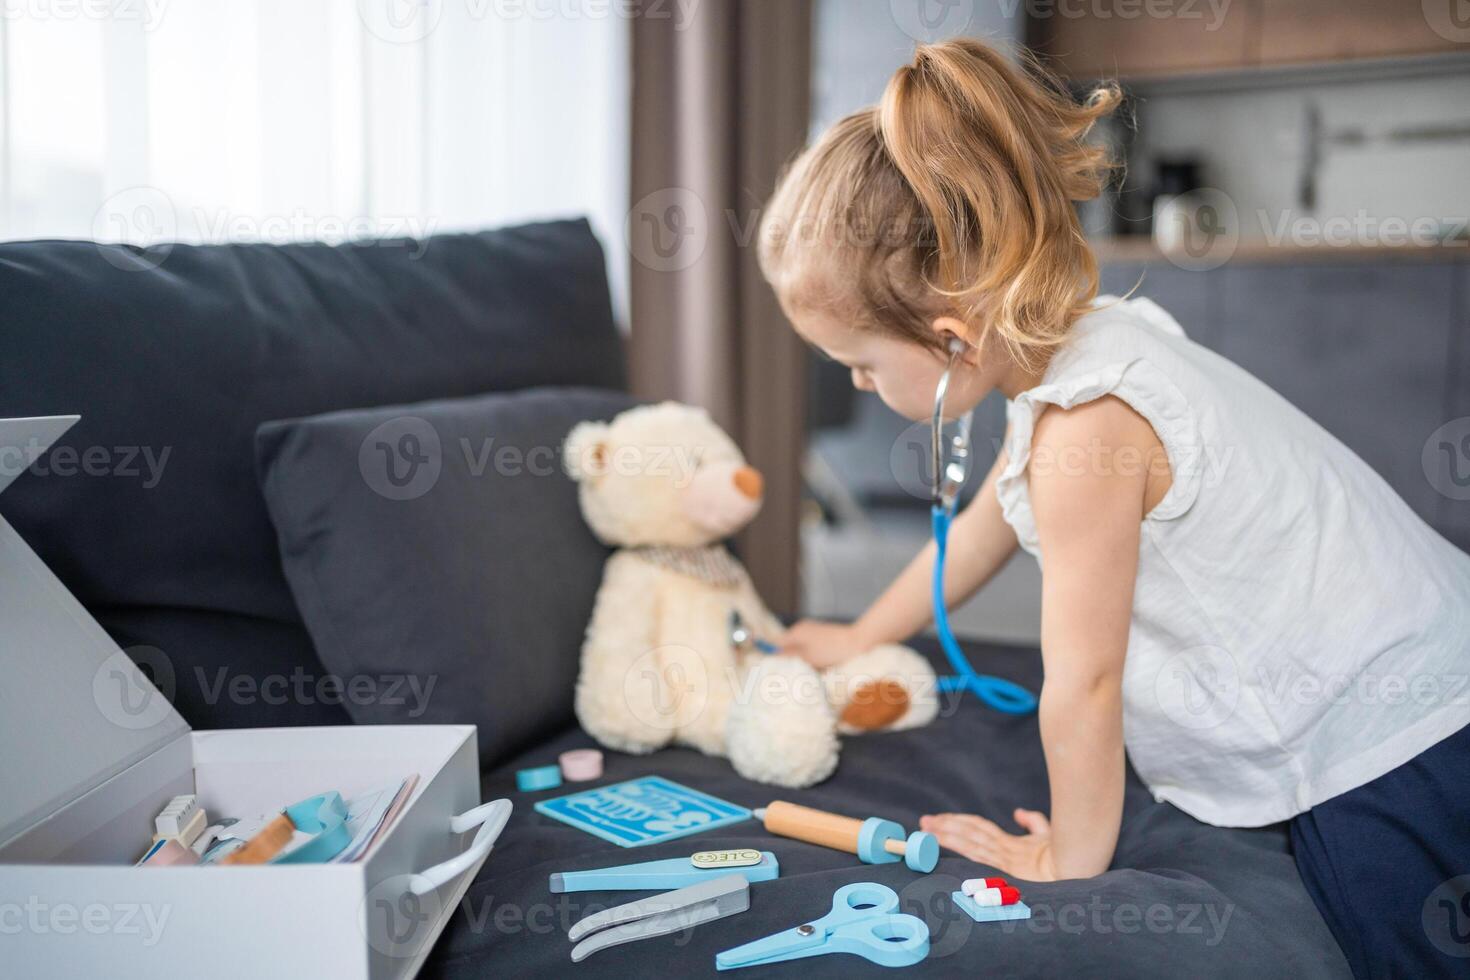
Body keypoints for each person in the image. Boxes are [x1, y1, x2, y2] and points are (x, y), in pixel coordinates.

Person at [756, 37, 1470, 979]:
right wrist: (860, 637)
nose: (854, 380)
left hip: (1397, 737)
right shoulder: (1087, 346)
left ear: (948, 338)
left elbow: (1084, 685)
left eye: (860, 364)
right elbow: (981, 532)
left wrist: (1068, 862)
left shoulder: (1081, 440)